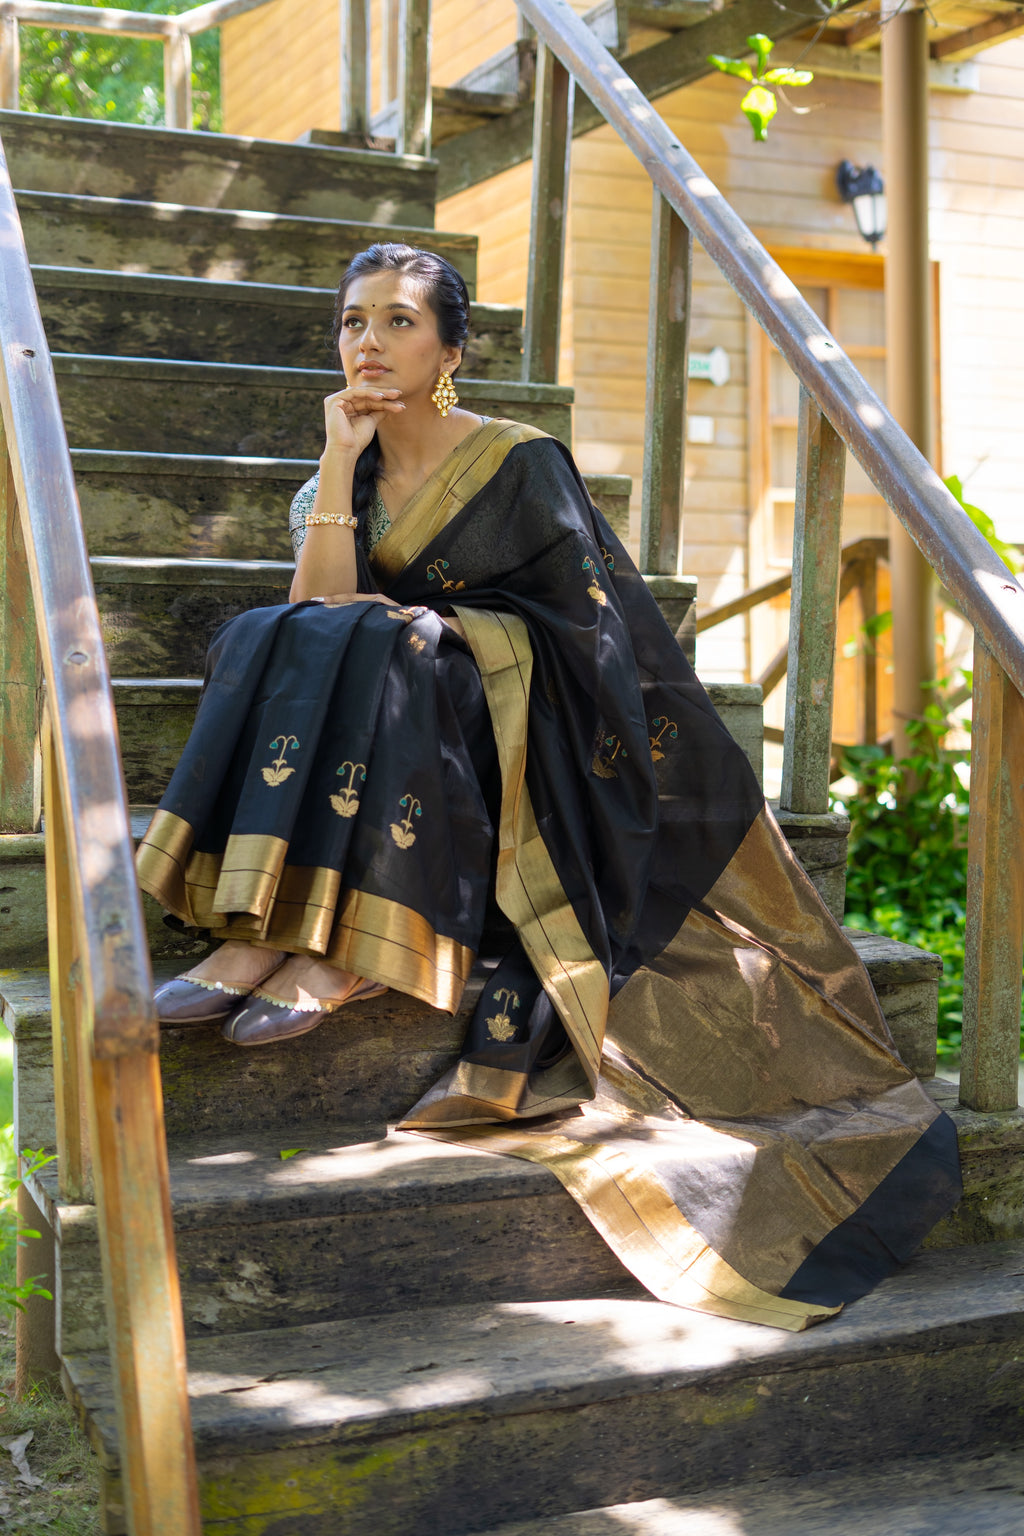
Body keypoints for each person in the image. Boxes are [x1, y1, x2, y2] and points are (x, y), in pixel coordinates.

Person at [137, 243, 961, 1332]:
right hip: (396, 723)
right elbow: (316, 618)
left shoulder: (520, 462)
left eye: (396, 322)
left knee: (403, 646)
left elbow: (591, 637)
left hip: (526, 736)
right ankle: (263, 934)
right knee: (270, 629)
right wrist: (340, 465)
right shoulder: (334, 477)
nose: (369, 344)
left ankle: (339, 950)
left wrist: (445, 634)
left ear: (449, 350)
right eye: (350, 323)